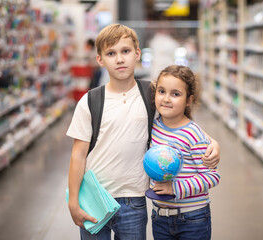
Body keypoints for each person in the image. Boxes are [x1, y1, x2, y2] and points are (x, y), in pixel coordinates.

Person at [66, 24, 220, 239]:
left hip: (134, 201)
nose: (120, 59)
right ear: (100, 59)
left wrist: (212, 142)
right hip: (94, 198)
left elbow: (181, 120)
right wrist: (73, 201)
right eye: (111, 53)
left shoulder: (152, 94)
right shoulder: (90, 101)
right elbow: (78, 154)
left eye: (126, 51)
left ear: (137, 54)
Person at [149, 65, 220, 240]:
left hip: (192, 218)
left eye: (175, 94)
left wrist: (174, 188)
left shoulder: (193, 133)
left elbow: (212, 176)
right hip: (160, 217)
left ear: (189, 100)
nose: (166, 99)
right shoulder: (153, 126)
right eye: (161, 91)